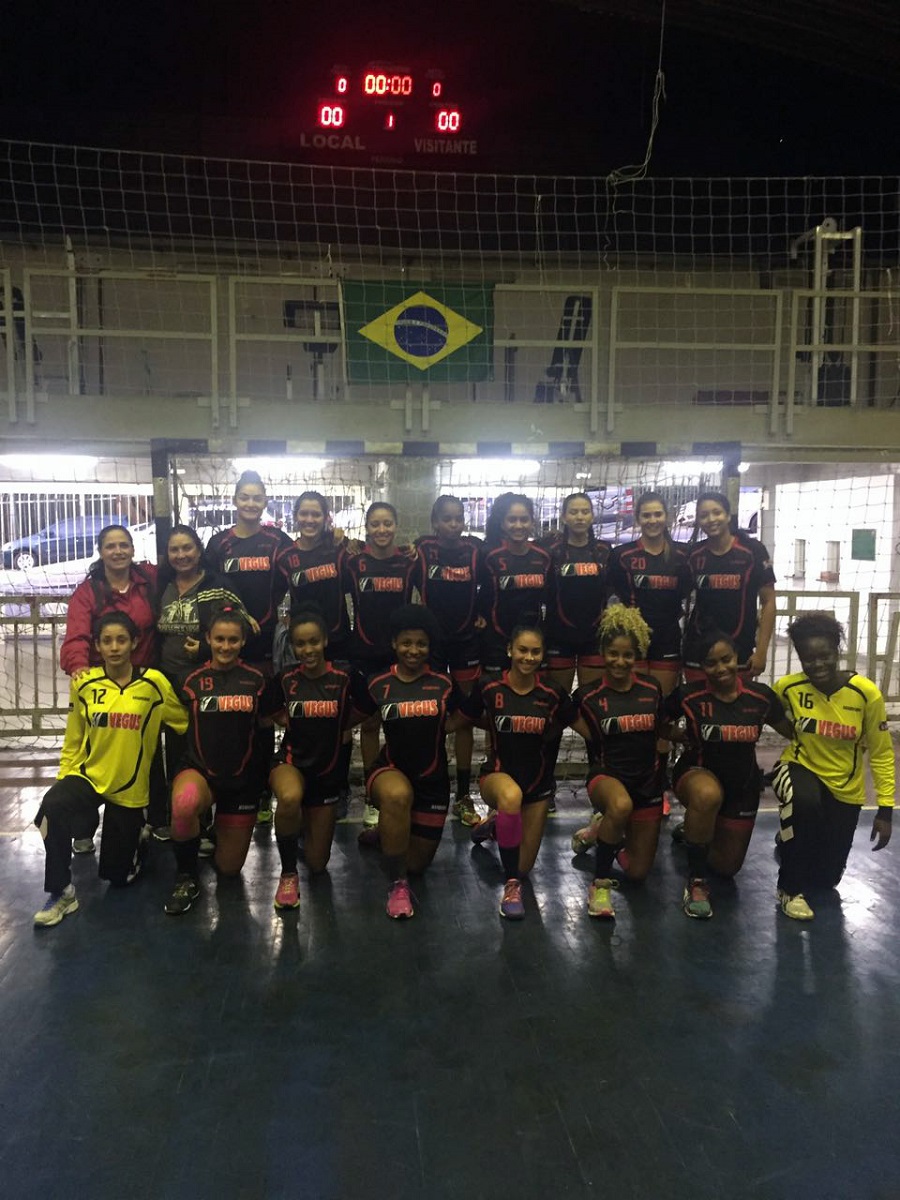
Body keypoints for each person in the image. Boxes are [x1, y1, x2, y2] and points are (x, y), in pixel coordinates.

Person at [33, 613, 187, 927]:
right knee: (52, 807)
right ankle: (61, 892)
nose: (114, 647)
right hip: (89, 777)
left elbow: (183, 722)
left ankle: (139, 838)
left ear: (134, 642)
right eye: (107, 641)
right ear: (97, 646)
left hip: (129, 789)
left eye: (121, 640)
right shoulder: (85, 683)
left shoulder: (154, 684)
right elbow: (74, 737)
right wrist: (64, 779)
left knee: (118, 879)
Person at [771, 613, 894, 921]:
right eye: (808, 658)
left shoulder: (866, 695)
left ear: (837, 651)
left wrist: (885, 810)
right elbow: (761, 708)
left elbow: (881, 754)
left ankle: (788, 838)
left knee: (826, 879)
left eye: (824, 656)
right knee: (805, 803)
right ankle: (788, 890)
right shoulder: (787, 688)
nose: (817, 665)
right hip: (798, 767)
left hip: (845, 788)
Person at [666, 630, 793, 919]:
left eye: (726, 659)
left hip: (743, 784)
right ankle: (696, 883)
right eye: (711, 663)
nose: (721, 668)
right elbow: (658, 723)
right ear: (701, 667)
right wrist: (680, 735)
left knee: (727, 868)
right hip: (697, 773)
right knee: (707, 795)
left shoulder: (760, 697)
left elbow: (790, 730)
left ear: (737, 658)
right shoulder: (689, 696)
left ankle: (693, 832)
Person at [165, 607, 280, 916]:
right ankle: (186, 876)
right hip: (200, 770)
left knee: (228, 870)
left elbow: (268, 729)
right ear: (208, 639)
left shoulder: (258, 681)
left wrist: (263, 782)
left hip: (242, 781)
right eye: (219, 639)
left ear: (243, 642)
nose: (225, 646)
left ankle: (215, 831)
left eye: (233, 640)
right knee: (184, 805)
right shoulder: (188, 680)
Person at [353, 604, 462, 919]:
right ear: (394, 644)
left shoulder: (445, 683)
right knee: (398, 797)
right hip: (391, 770)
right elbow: (364, 725)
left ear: (430, 646)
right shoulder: (377, 683)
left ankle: (386, 834)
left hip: (432, 780)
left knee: (416, 864)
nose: (413, 650)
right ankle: (397, 885)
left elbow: (460, 720)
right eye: (406, 643)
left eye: (421, 644)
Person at [59, 522, 166, 838]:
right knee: (93, 753)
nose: (118, 551)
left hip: (143, 682)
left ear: (133, 549)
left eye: (124, 545)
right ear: (101, 551)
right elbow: (76, 636)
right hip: (103, 685)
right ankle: (83, 826)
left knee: (149, 748)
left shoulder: (149, 579)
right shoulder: (87, 592)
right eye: (111, 546)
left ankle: (158, 818)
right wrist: (80, 670)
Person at [465, 624, 576, 919]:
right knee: (510, 798)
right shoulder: (489, 686)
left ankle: (493, 826)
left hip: (538, 783)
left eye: (535, 652)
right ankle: (510, 886)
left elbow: (580, 724)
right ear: (510, 651)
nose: (528, 657)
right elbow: (462, 718)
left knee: (524, 866)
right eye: (522, 650)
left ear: (542, 656)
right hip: (497, 777)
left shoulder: (552, 692)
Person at [205, 471, 292, 823]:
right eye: (245, 497)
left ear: (265, 502)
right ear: (235, 500)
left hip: (265, 644)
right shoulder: (219, 544)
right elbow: (208, 588)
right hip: (228, 643)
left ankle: (258, 793)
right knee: (227, 716)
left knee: (263, 717)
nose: (251, 503)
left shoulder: (277, 541)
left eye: (257, 498)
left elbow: (305, 562)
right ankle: (226, 788)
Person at [568, 605, 665, 920]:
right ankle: (599, 885)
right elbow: (559, 715)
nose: (620, 661)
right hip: (607, 777)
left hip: (647, 781)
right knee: (620, 805)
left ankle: (602, 831)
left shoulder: (653, 689)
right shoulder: (587, 695)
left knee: (637, 873)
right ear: (602, 652)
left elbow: (661, 730)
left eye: (628, 655)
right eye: (613, 653)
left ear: (638, 656)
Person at [269, 609, 356, 910]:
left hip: (326, 773)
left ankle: (303, 829)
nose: (308, 650)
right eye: (300, 644)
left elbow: (363, 713)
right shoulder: (285, 680)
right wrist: (287, 719)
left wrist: (342, 728)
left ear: (325, 641)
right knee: (290, 797)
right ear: (292, 646)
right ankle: (288, 873)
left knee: (318, 865)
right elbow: (267, 713)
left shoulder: (344, 678)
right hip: (291, 764)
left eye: (314, 642)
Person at [342, 501, 417, 832]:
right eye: (375, 524)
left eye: (388, 524)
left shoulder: (409, 562)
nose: (382, 530)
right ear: (367, 528)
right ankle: (373, 796)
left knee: (400, 725)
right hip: (364, 653)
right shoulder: (354, 563)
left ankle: (399, 790)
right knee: (370, 724)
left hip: (401, 655)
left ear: (396, 526)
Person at [413, 494, 484, 825]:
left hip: (467, 642)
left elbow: (493, 585)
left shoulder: (474, 551)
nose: (453, 524)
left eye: (458, 518)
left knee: (465, 716)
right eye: (447, 519)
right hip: (433, 645)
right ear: (435, 522)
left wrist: (483, 615)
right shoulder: (422, 550)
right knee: (432, 714)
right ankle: (429, 782)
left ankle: (464, 794)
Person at [683, 491, 776, 681]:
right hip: (698, 647)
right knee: (698, 707)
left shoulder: (753, 550)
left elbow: (768, 601)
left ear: (727, 515)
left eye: (716, 512)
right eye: (704, 515)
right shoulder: (694, 554)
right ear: (698, 520)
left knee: (734, 708)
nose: (711, 519)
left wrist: (761, 651)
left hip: (739, 648)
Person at [607, 492, 691, 699]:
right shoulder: (622, 555)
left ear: (667, 517)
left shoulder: (682, 555)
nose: (652, 520)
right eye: (646, 515)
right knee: (633, 702)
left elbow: (687, 591)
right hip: (632, 638)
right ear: (638, 519)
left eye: (658, 514)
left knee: (661, 702)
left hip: (668, 637)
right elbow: (609, 592)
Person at [542, 492, 611, 693]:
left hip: (594, 636)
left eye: (585, 512)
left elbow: (613, 588)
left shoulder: (604, 550)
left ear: (592, 516)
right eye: (573, 512)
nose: (579, 517)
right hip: (558, 635)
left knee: (590, 701)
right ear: (564, 517)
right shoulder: (551, 551)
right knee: (558, 702)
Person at [478, 493, 551, 673]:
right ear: (502, 523)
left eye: (524, 519)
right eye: (512, 520)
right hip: (496, 638)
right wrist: (476, 614)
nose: (518, 525)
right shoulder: (488, 555)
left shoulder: (544, 556)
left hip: (531, 639)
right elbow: (469, 587)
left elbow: (552, 596)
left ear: (532, 522)